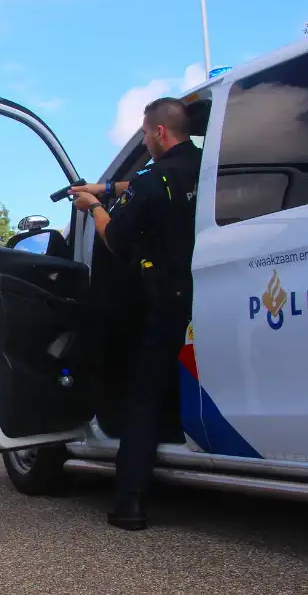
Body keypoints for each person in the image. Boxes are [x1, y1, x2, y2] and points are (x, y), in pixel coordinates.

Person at [68, 96, 201, 531]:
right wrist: (107, 187)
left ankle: (129, 503)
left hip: (167, 298)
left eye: (145, 134)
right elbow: (146, 183)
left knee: (142, 397)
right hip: (209, 292)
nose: (145, 140)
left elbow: (118, 241)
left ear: (159, 133)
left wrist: (94, 207)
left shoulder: (156, 176)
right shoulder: (204, 164)